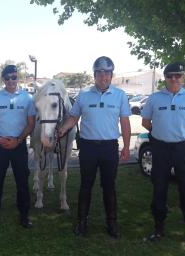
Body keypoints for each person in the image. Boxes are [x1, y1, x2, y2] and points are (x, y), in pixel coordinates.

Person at [58, 56, 131, 238]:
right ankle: (82, 222)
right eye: (99, 73)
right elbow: (73, 118)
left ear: (111, 75)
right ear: (94, 75)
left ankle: (111, 223)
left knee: (109, 186)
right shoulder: (83, 95)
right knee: (86, 186)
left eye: (107, 73)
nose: (103, 76)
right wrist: (62, 130)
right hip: (88, 148)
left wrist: (127, 147)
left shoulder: (120, 95)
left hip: (109, 148)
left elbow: (125, 122)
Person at [141, 62, 185, 249]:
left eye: (178, 75)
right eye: (170, 76)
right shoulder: (154, 98)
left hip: (183, 149)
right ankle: (159, 229)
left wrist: (183, 134)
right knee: (159, 190)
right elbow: (145, 122)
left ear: (183, 77)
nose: (174, 79)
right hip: (160, 149)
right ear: (165, 78)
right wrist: (162, 133)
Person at [0, 65, 36, 228]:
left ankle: (24, 215)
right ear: (3, 80)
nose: (11, 81)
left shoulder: (27, 98)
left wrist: (18, 140)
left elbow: (31, 124)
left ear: (17, 78)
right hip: (0, 146)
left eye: (14, 77)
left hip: (18, 146)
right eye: (7, 78)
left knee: (22, 182)